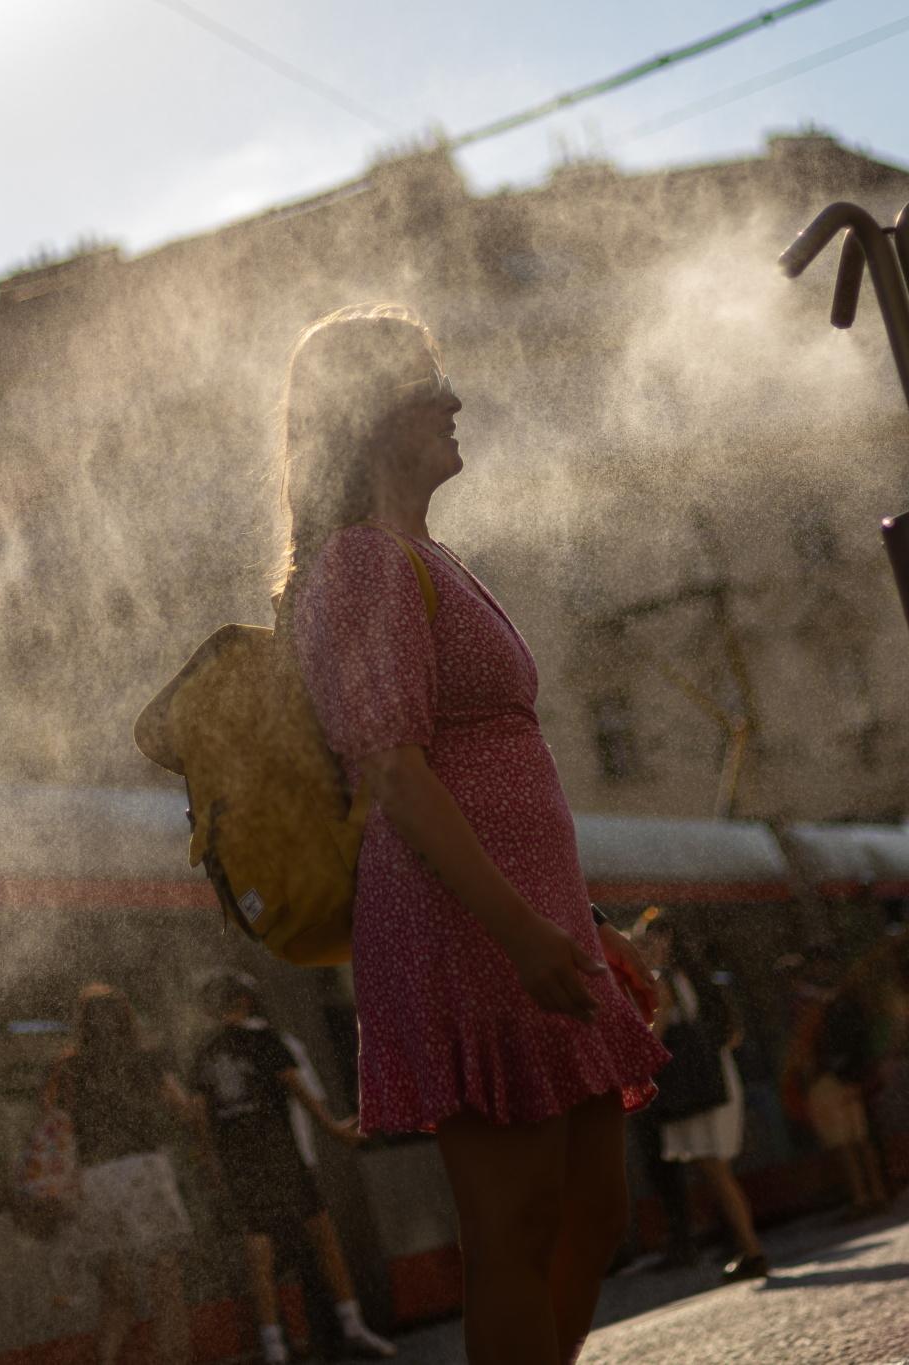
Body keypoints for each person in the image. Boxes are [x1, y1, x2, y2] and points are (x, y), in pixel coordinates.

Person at [280, 303, 667, 1365]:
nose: (453, 399)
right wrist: (520, 933)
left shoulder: (426, 555)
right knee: (515, 1229)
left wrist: (579, 927)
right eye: (426, 386)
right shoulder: (362, 564)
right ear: (368, 417)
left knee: (590, 1213)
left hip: (527, 924)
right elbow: (394, 770)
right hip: (466, 926)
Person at [189, 973, 396, 1363]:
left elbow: (201, 1116)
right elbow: (297, 1089)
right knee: (323, 1236)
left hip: (242, 1165)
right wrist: (333, 1128)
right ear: (246, 1002)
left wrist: (210, 1163)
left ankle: (274, 1347)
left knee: (259, 1252)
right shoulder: (267, 1039)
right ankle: (352, 1326)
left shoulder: (206, 1051)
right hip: (283, 1155)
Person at [45, 985, 197, 1365]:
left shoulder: (69, 1067)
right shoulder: (145, 1057)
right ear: (125, 1015)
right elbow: (183, 1109)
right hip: (143, 1172)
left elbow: (53, 1122)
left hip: (95, 1181)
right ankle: (172, 1359)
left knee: (117, 1295)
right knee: (165, 1281)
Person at [630, 907, 767, 1282]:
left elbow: (653, 1038)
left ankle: (752, 1249)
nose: (641, 950)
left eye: (646, 941)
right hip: (716, 1075)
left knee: (715, 1170)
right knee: (717, 1168)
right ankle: (746, 1245)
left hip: (694, 1083)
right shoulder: (696, 976)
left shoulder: (662, 979)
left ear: (663, 941)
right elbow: (731, 1032)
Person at [780, 953, 890, 1220]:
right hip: (848, 1074)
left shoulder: (803, 1005)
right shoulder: (830, 998)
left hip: (824, 1079)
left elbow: (802, 1049)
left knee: (844, 1144)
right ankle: (877, 1192)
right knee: (860, 1138)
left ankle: (862, 1197)